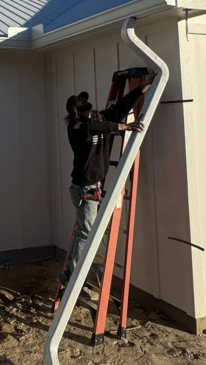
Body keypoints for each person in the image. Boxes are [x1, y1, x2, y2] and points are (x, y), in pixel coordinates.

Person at [58, 72, 156, 291]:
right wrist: (125, 127)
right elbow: (97, 127)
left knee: (83, 233)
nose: (85, 103)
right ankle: (74, 279)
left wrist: (142, 89)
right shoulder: (76, 127)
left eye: (85, 100)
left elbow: (118, 109)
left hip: (92, 187)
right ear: (75, 110)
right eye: (80, 102)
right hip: (83, 188)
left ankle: (68, 275)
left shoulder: (97, 120)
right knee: (86, 234)